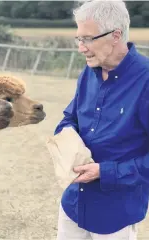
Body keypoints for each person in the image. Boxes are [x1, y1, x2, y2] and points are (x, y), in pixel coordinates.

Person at [54, 0, 149, 239]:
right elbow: (70, 117)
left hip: (115, 217)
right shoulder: (89, 71)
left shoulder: (146, 81)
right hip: (73, 204)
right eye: (79, 39)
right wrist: (67, 138)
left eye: (87, 39)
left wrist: (105, 171)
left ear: (116, 35)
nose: (81, 48)